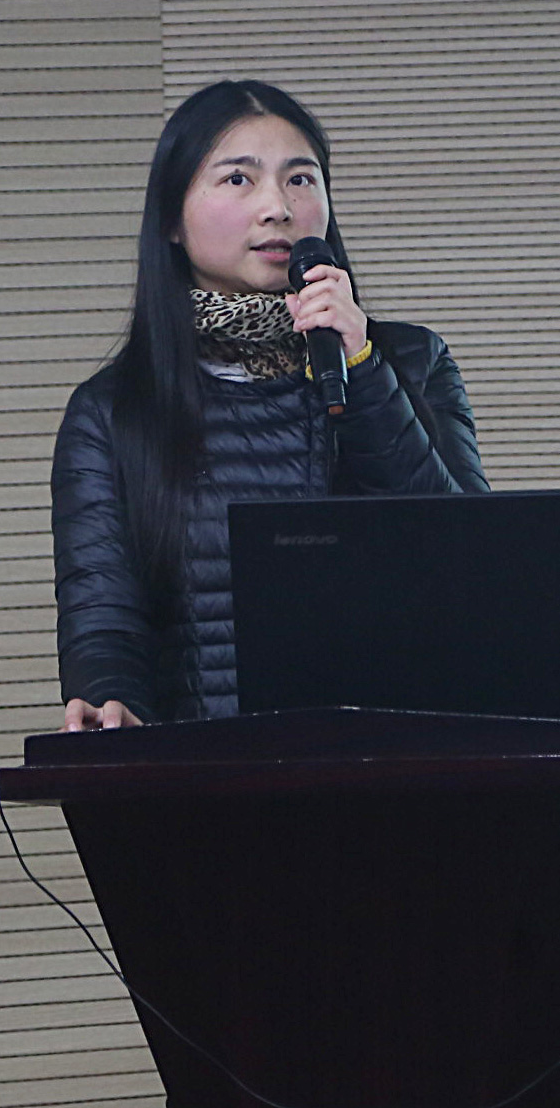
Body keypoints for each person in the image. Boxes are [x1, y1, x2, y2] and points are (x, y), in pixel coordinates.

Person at [53, 79, 489, 731]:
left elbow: (475, 567)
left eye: (300, 180)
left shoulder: (412, 362)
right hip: (213, 771)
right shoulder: (114, 412)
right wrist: (115, 710)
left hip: (404, 757)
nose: (278, 208)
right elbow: (104, 621)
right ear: (171, 219)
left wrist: (364, 369)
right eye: (239, 179)